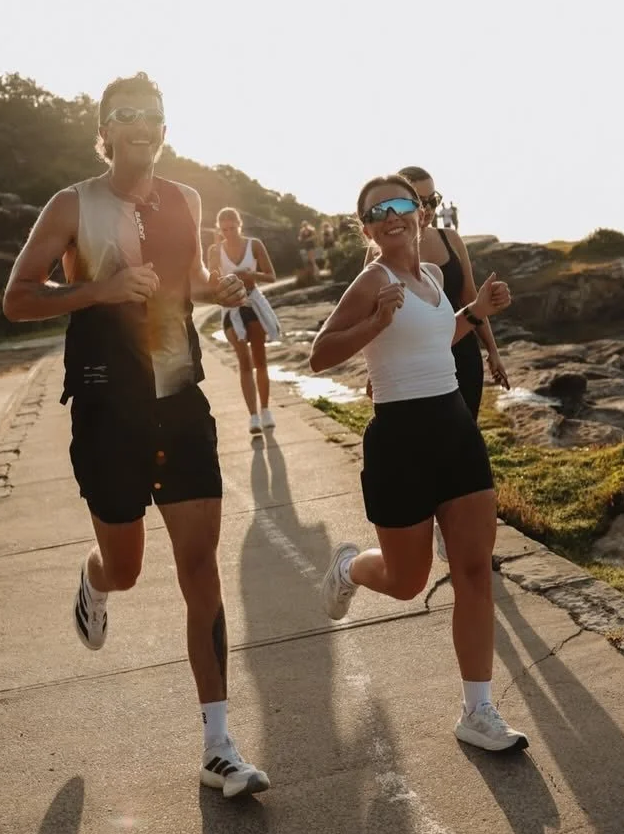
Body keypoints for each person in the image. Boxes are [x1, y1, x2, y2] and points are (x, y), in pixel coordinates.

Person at [2, 72, 270, 798]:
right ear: (106, 132)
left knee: (199, 569)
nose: (141, 123)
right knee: (127, 566)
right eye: (126, 114)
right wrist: (99, 290)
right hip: (106, 411)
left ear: (163, 128)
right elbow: (17, 298)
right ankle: (95, 581)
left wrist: (221, 289)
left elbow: (195, 280)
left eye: (151, 113)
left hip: (180, 403)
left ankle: (218, 745)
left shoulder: (186, 200)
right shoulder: (71, 205)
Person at [310, 173, 528, 753]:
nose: (390, 216)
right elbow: (319, 355)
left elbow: (437, 337)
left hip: (455, 432)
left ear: (421, 213)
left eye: (400, 204)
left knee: (474, 571)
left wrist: (476, 312)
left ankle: (478, 711)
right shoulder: (370, 281)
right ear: (366, 229)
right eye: (376, 211)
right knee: (407, 583)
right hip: (400, 442)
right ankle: (350, 567)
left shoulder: (431, 275)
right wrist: (374, 324)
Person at [365, 167, 508, 418]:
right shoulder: (379, 252)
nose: (429, 208)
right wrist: (373, 370)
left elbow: (470, 299)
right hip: (410, 359)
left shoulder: (451, 239)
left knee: (465, 430)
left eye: (434, 200)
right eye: (421, 201)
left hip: (463, 352)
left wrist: (493, 351)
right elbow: (371, 312)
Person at [208, 207, 280, 437]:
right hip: (231, 308)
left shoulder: (254, 244)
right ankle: (253, 416)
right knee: (244, 362)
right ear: (219, 229)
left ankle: (266, 410)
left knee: (260, 359)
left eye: (232, 228)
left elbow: (271, 276)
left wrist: (251, 275)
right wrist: (220, 272)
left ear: (239, 225)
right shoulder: (215, 250)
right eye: (224, 229)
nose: (229, 233)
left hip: (253, 303)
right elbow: (211, 282)